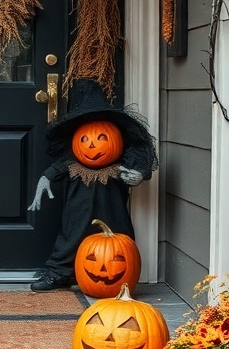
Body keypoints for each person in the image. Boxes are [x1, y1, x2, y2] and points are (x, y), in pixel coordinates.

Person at [28, 78, 158, 291]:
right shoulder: (72, 164)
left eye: (101, 138)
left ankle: (123, 279)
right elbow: (57, 169)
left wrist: (139, 174)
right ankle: (60, 273)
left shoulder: (120, 162)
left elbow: (138, 167)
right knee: (71, 236)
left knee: (118, 243)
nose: (92, 145)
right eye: (85, 140)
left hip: (112, 213)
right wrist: (44, 180)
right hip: (77, 213)